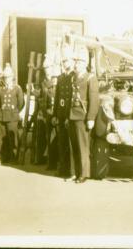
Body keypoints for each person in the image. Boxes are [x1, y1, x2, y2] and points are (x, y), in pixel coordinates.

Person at [68, 47, 99, 183]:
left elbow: (94, 100)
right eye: (75, 61)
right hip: (72, 115)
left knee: (83, 146)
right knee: (73, 145)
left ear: (85, 63)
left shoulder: (90, 78)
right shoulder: (73, 77)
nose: (76, 64)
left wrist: (91, 118)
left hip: (83, 115)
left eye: (79, 62)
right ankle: (75, 172)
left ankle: (84, 174)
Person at [0, 66, 24, 164]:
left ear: (12, 77)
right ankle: (4, 158)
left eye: (8, 77)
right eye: (5, 77)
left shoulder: (17, 88)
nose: (7, 79)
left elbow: (21, 103)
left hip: (12, 117)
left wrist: (15, 112)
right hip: (2, 117)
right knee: (2, 139)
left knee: (13, 139)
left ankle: (14, 158)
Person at [53, 46, 74, 178]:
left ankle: (71, 171)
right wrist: (55, 114)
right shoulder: (61, 78)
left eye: (66, 61)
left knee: (71, 144)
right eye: (63, 61)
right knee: (62, 143)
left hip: (69, 116)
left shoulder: (74, 77)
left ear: (71, 61)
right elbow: (57, 98)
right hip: (60, 115)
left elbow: (73, 99)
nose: (64, 63)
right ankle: (63, 169)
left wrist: (68, 116)